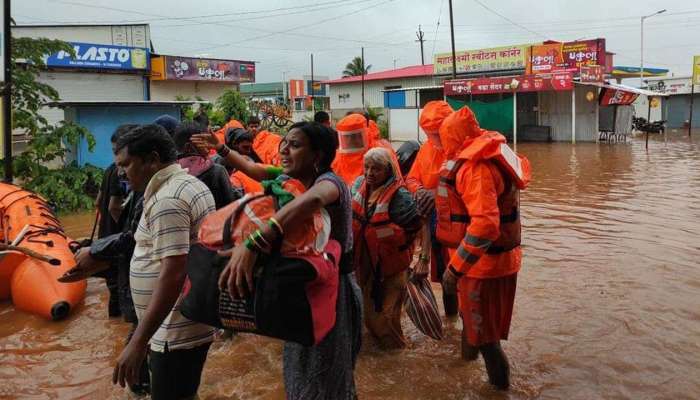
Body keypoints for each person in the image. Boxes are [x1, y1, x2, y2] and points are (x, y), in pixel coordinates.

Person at [192, 122, 362, 399]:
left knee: (328, 373)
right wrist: (220, 148)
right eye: (284, 142)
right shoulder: (288, 180)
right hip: (301, 288)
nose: (284, 149)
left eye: (294, 145)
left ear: (317, 156)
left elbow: (312, 201)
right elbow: (256, 170)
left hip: (333, 292)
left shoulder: (331, 184)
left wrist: (255, 242)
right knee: (298, 366)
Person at [112, 124, 216, 400]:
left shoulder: (168, 199)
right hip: (183, 323)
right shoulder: (188, 184)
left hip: (174, 331)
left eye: (127, 164)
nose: (121, 172)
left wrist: (138, 342)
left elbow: (174, 272)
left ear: (153, 160)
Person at [436, 106, 531, 390]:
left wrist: (455, 269)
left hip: (485, 268)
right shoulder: (488, 154)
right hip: (489, 262)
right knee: (472, 325)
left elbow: (486, 226)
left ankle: (499, 392)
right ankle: (464, 371)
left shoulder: (476, 169)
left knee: (488, 342)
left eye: (442, 139)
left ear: (453, 138)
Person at [351, 148, 422, 349]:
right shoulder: (358, 185)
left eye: (376, 169)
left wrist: (423, 260)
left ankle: (398, 357)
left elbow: (420, 225)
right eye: (367, 167)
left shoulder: (401, 197)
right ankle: (387, 356)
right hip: (364, 265)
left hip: (391, 269)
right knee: (369, 317)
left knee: (384, 322)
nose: (369, 173)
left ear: (389, 171)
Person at [405, 100, 459, 317]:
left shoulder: (463, 149)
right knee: (445, 277)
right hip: (435, 224)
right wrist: (419, 190)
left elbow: (467, 191)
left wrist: (434, 194)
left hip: (460, 225)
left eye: (436, 133)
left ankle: (462, 326)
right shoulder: (427, 148)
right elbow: (411, 178)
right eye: (429, 133)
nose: (433, 138)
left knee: (462, 278)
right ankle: (451, 321)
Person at [94, 124, 136, 317]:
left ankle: (114, 329)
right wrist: (126, 228)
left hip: (105, 238)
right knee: (123, 290)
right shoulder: (122, 173)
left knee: (114, 289)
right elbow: (113, 206)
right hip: (117, 241)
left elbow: (98, 202)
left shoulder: (109, 170)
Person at [173, 122, 240, 209]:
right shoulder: (217, 172)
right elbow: (231, 208)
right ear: (188, 147)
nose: (209, 146)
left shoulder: (170, 171)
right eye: (204, 142)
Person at [331, 113, 400, 186]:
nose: (350, 140)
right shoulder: (338, 156)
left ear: (364, 134)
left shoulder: (379, 152)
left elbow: (395, 180)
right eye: (347, 137)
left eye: (354, 136)